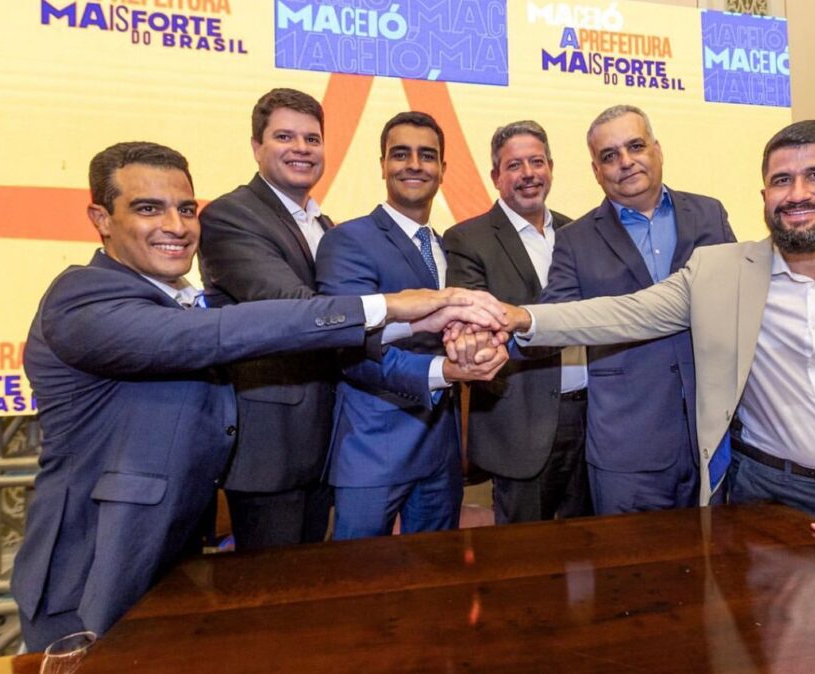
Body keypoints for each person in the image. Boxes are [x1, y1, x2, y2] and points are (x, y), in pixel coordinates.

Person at [12, 141, 506, 650]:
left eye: (186, 209)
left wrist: (423, 323)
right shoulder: (83, 297)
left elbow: (266, 338)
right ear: (101, 218)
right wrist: (386, 305)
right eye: (148, 208)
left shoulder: (180, 302)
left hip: (173, 559)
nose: (176, 226)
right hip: (94, 570)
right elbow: (225, 333)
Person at [458, 120, 815, 569]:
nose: (798, 194)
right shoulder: (722, 271)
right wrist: (518, 316)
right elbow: (624, 312)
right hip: (760, 489)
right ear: (764, 194)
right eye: (782, 181)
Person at [533, 104, 735, 515]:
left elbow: (747, 289)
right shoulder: (575, 240)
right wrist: (501, 329)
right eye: (610, 155)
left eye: (636, 146)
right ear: (596, 171)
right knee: (631, 557)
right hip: (628, 447)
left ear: (658, 150)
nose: (625, 162)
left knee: (717, 554)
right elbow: (553, 321)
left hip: (714, 433)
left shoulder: (709, 214)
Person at [315, 112, 509, 540]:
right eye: (401, 154)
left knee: (435, 573)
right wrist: (445, 371)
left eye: (427, 155)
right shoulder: (348, 240)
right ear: (383, 164)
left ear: (443, 168)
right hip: (374, 449)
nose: (415, 165)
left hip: (442, 452)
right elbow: (349, 347)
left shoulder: (449, 247)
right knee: (360, 576)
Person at [198, 88, 337, 551]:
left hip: (325, 441)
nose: (301, 148)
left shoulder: (325, 224)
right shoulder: (230, 216)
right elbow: (293, 306)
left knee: (315, 580)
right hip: (271, 447)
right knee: (267, 584)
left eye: (312, 139)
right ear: (256, 146)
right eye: (284, 136)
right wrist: (397, 310)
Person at [443, 120, 592, 524]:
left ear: (551, 168)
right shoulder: (467, 239)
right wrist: (571, 321)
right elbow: (483, 332)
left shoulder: (580, 232)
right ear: (496, 177)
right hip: (522, 426)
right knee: (522, 551)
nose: (528, 173)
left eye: (537, 162)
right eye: (514, 165)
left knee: (589, 547)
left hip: (593, 418)